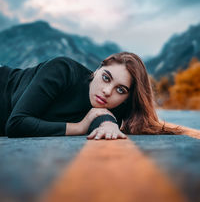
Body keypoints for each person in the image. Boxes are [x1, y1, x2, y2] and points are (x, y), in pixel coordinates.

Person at [0, 52, 182, 139]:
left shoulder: (116, 107)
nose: (107, 91)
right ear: (97, 70)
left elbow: (101, 118)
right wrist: (80, 127)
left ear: (127, 98)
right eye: (106, 78)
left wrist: (109, 124)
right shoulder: (62, 70)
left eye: (120, 90)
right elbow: (16, 124)